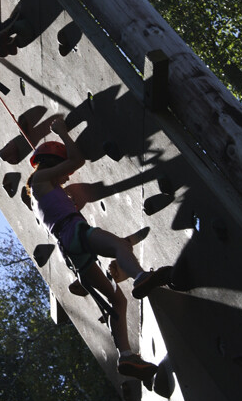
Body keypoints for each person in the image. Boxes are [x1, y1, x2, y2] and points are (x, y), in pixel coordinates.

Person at [26, 118, 172, 384]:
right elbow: (76, 161)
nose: (67, 176)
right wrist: (62, 133)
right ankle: (141, 278)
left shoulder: (44, 192)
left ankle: (125, 355)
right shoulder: (40, 178)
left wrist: (72, 201)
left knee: (118, 301)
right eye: (62, 171)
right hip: (73, 232)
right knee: (118, 245)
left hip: (70, 251)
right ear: (51, 164)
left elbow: (61, 201)